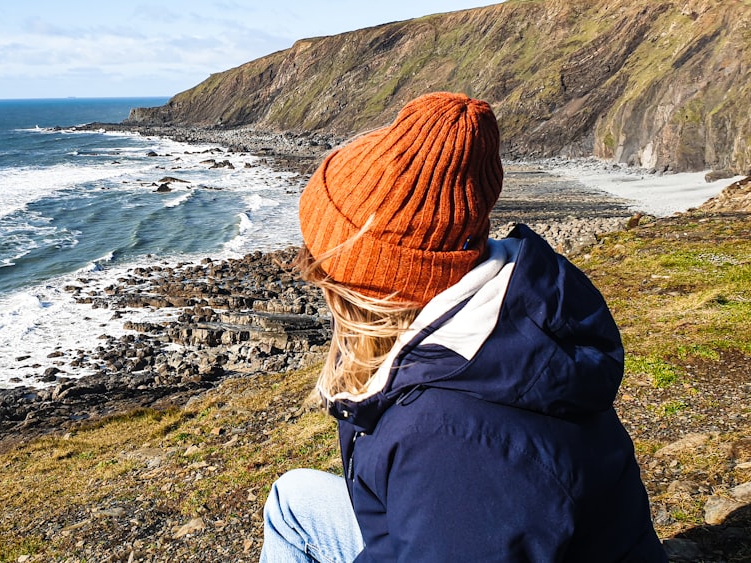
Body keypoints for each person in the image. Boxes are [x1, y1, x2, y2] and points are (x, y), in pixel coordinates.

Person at [260, 92, 667, 562]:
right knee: (293, 500)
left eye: (321, 261)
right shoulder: (514, 308)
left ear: (376, 283)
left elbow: (460, 497)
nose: (309, 267)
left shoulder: (449, 438)